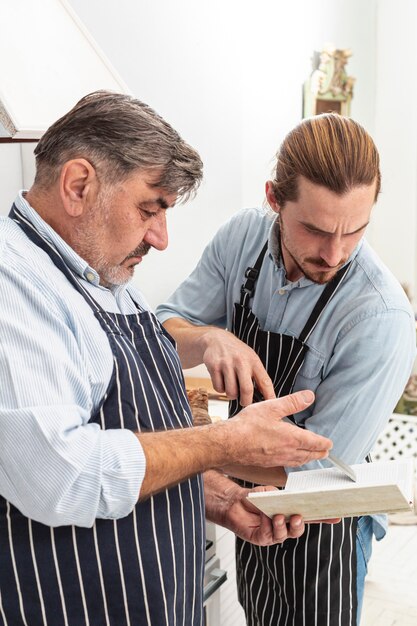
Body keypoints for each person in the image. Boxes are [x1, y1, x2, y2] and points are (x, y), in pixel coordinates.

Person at [0, 91, 335, 626]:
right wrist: (224, 442)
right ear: (79, 185)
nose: (160, 237)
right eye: (148, 210)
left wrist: (214, 496)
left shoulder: (99, 271)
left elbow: (130, 435)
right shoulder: (14, 287)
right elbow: (62, 476)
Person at [157, 113, 417, 626]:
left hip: (322, 519)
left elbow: (313, 469)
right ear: (274, 198)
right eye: (316, 230)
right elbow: (161, 327)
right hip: (250, 498)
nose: (334, 253)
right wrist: (209, 337)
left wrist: (203, 459)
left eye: (355, 231)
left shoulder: (380, 317)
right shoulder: (241, 239)